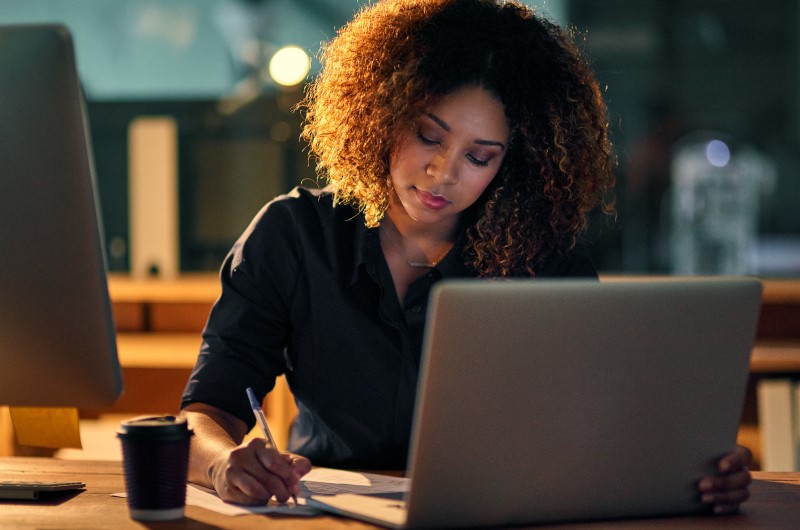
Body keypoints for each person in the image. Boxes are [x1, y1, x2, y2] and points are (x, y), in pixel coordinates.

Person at [180, 0, 751, 514]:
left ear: (513, 165)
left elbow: (597, 432)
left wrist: (700, 469)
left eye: (479, 157)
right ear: (383, 112)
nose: (443, 173)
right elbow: (206, 411)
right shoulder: (294, 234)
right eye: (428, 137)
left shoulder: (546, 267)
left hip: (496, 518)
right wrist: (222, 463)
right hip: (327, 513)